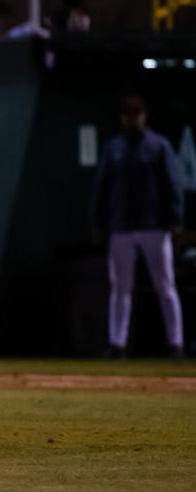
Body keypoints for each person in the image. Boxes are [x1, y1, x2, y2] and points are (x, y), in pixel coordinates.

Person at [92, 96, 185, 359]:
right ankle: (117, 344)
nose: (133, 118)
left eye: (137, 114)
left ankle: (175, 343)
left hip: (154, 227)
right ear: (123, 117)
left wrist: (175, 218)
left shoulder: (158, 145)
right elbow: (102, 186)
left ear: (144, 115)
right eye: (128, 114)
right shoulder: (114, 148)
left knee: (165, 286)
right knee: (120, 288)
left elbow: (172, 184)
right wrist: (99, 221)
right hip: (121, 226)